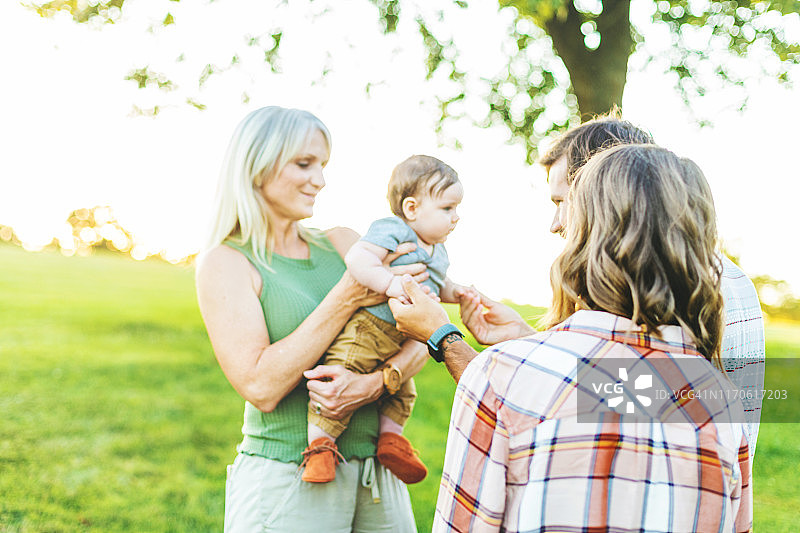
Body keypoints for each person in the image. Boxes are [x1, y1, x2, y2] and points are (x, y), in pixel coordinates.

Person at [390, 113, 765, 457]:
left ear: (605, 188)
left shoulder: (671, 286)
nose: (555, 223)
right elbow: (610, 390)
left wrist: (444, 338)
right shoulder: (720, 276)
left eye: (563, 201)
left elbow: (558, 411)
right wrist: (523, 337)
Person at [432, 144, 753, 532]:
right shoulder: (720, 404)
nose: (556, 226)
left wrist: (445, 336)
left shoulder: (500, 375)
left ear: (587, 237)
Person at [195, 106, 428, 532]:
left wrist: (375, 385)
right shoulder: (225, 263)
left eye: (322, 165)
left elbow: (422, 333)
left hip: (378, 475)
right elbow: (260, 386)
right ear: (256, 166)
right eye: (304, 164)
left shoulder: (344, 244)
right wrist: (347, 295)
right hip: (288, 478)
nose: (319, 180)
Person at [303, 154, 467, 485]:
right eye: (447, 208)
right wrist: (389, 282)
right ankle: (320, 447)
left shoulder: (438, 249)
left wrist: (459, 293)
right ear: (412, 208)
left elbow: (438, 282)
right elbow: (359, 258)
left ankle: (392, 441)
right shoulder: (394, 229)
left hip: (404, 336)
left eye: (457, 208)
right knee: (340, 373)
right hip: (369, 328)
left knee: (403, 392)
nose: (456, 217)